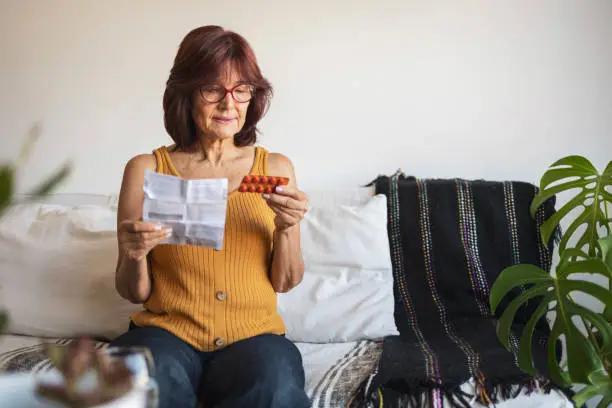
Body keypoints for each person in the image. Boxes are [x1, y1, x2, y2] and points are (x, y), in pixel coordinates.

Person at [110, 25, 311, 408]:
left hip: (255, 337)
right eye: (212, 89)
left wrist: (287, 228)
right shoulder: (146, 169)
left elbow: (285, 282)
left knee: (275, 388)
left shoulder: (276, 167)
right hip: (165, 334)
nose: (229, 104)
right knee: (141, 385)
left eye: (241, 89)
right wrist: (134, 254)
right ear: (186, 93)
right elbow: (132, 292)